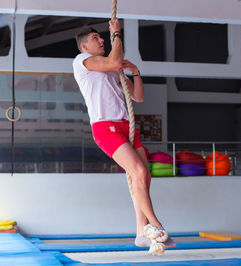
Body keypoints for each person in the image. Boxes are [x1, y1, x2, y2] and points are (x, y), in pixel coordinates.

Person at [72, 18, 175, 255]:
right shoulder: (81, 62)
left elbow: (138, 97)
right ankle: (156, 225)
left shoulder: (112, 72)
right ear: (84, 46)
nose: (101, 40)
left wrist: (135, 72)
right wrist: (116, 33)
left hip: (126, 126)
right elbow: (114, 60)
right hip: (105, 127)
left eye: (102, 37)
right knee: (138, 172)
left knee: (144, 175)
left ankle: (141, 232)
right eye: (95, 38)